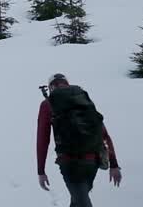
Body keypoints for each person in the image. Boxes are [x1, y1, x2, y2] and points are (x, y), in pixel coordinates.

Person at [36, 73, 121, 207]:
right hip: (92, 161)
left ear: (51, 87)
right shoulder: (83, 100)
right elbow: (103, 133)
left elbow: (42, 139)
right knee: (78, 201)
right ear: (67, 84)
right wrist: (114, 164)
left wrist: (41, 171)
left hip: (70, 163)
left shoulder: (48, 104)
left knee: (81, 202)